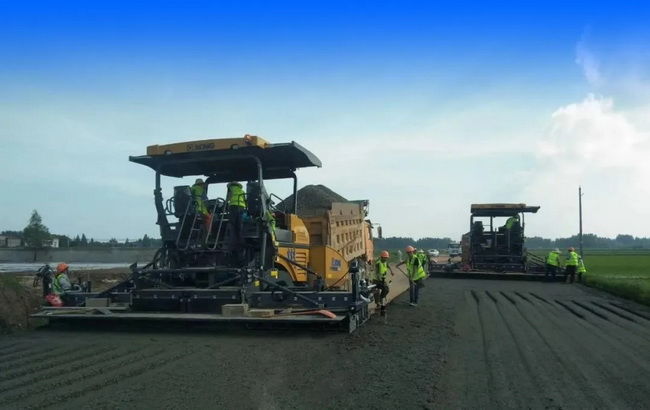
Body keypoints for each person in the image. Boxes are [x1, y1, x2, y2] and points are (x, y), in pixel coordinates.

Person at [226, 181, 247, 262]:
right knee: (239, 226)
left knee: (232, 225)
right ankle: (241, 241)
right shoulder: (242, 191)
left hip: (233, 207)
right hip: (242, 208)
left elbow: (228, 197)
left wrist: (225, 205)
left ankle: (232, 243)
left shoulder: (230, 189)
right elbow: (245, 200)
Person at [373, 250, 395, 315]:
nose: (386, 259)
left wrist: (391, 271)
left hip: (382, 279)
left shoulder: (385, 262)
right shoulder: (378, 263)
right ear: (382, 257)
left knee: (386, 289)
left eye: (387, 258)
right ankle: (378, 303)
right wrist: (380, 280)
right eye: (385, 257)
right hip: (376, 279)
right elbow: (377, 272)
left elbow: (388, 265)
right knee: (376, 291)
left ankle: (381, 299)